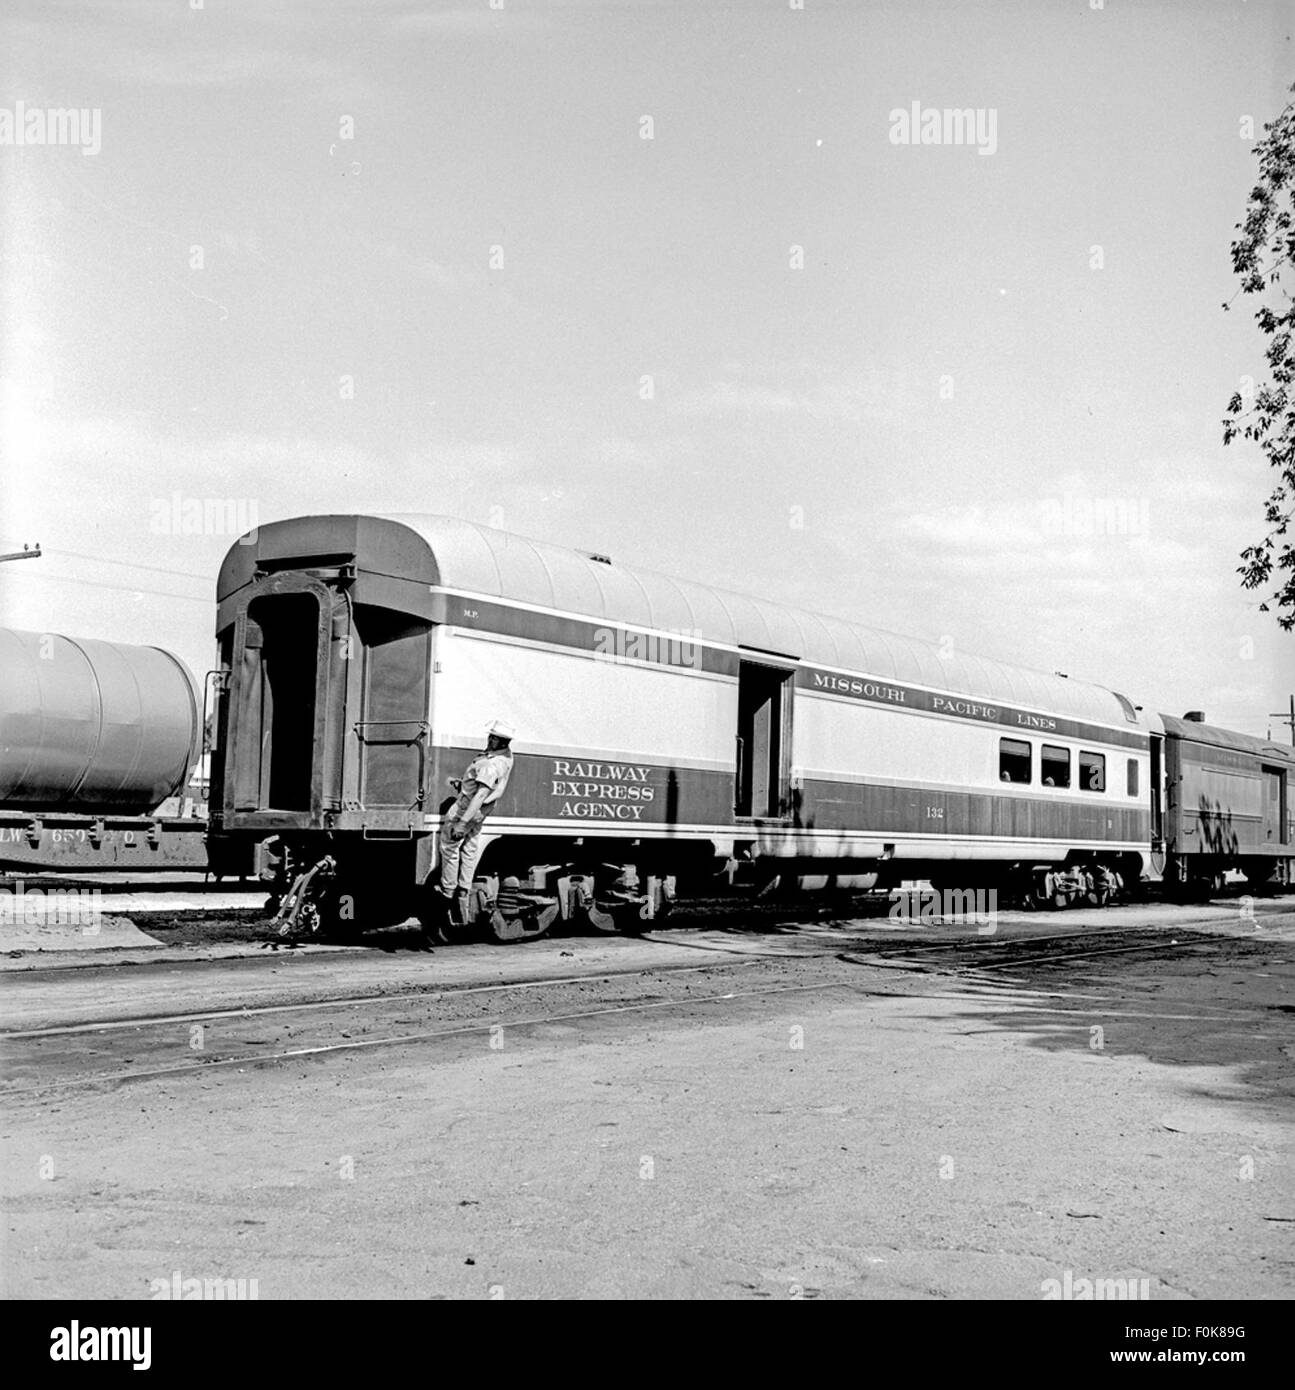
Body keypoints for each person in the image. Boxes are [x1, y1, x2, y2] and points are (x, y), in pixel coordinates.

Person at [438, 719, 516, 918]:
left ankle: (447, 893)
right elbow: (492, 792)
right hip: (480, 811)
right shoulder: (507, 757)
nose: (490, 740)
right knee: (470, 849)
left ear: (504, 741)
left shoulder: (491, 764)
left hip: (467, 808)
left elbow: (481, 794)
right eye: (491, 736)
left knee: (450, 847)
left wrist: (463, 821)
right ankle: (463, 892)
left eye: (495, 738)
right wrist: (465, 783)